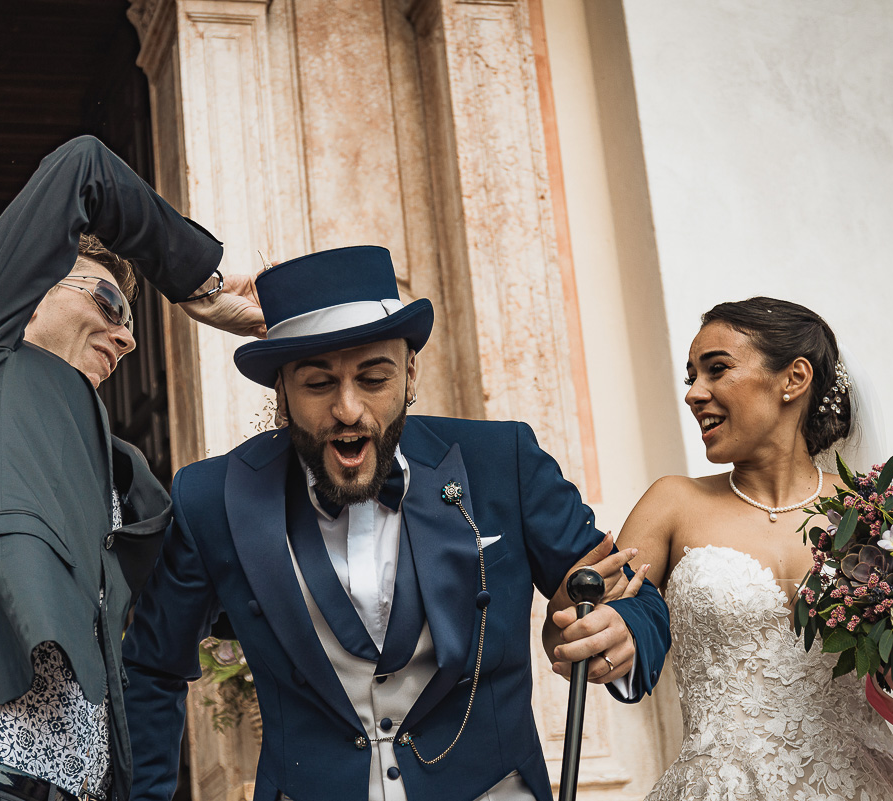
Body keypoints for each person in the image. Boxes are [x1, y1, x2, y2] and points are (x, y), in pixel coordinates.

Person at [122, 245, 671, 801]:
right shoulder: (212, 498)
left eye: (373, 378)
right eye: (318, 384)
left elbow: (631, 594)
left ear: (410, 374)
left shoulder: (503, 461)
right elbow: (151, 666)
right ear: (281, 393)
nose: (348, 410)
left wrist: (624, 629)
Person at [0, 136, 265, 801]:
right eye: (109, 305)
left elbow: (209, 588)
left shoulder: (119, 469)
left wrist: (305, 356)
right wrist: (201, 286)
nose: (127, 336)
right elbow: (83, 168)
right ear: (32, 291)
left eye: (130, 325)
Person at [582, 297, 893, 800]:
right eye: (691, 377)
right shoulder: (672, 503)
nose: (694, 394)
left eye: (717, 369)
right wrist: (588, 629)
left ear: (794, 379)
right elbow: (587, 625)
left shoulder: (874, 512)